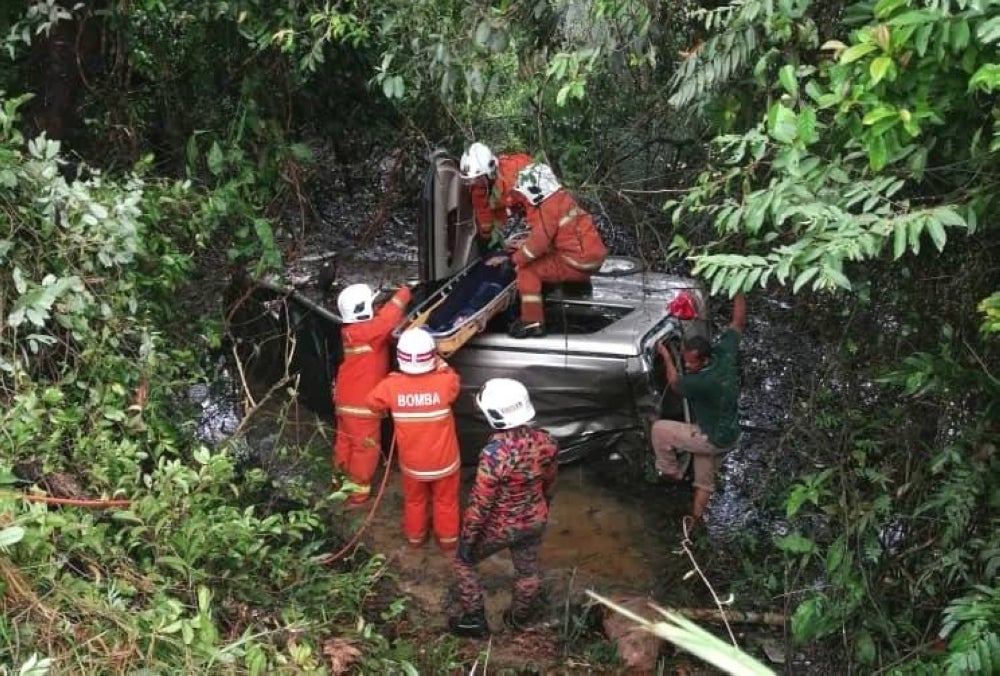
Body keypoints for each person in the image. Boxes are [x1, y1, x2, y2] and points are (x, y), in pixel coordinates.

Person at [448, 378, 559, 639]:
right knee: (527, 571)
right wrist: (541, 511)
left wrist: (468, 539)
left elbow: (481, 503)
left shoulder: (494, 454)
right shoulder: (547, 441)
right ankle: (518, 620)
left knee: (463, 563)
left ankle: (475, 620)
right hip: (534, 520)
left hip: (501, 526)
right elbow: (550, 484)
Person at [652, 292, 746, 522]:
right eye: (684, 360)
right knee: (704, 482)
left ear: (704, 360)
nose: (686, 365)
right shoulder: (724, 354)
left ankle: (670, 472)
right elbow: (737, 322)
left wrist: (666, 356)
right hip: (729, 436)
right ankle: (694, 521)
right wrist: (739, 288)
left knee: (659, 430)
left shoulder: (702, 382)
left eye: (690, 363)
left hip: (710, 436)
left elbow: (674, 383)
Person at [488, 163, 607, 338]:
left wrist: (513, 260)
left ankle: (532, 322)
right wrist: (524, 245)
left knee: (528, 271)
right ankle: (577, 290)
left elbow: (538, 245)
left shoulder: (547, 208)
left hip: (576, 261)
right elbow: (559, 237)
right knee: (545, 260)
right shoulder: (561, 198)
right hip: (590, 256)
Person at [367, 328, 462, 549]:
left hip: (413, 465)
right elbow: (454, 380)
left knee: (414, 501)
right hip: (444, 463)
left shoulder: (391, 386)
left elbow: (372, 403)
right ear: (431, 356)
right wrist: (441, 363)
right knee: (446, 501)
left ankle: (415, 538)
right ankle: (448, 542)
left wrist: (394, 384)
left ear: (400, 357)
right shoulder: (444, 383)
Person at [333, 283, 411, 506]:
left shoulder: (352, 331)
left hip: (345, 401)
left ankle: (339, 484)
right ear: (362, 309)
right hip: (362, 406)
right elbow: (387, 320)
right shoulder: (369, 332)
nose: (375, 306)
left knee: (344, 444)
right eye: (372, 304)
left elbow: (379, 323)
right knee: (364, 449)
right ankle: (358, 494)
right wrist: (404, 293)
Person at [459, 142, 533, 252]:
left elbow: (538, 204)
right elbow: (484, 216)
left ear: (490, 173)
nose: (474, 182)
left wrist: (534, 238)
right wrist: (488, 244)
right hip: (515, 204)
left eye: (477, 178)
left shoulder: (517, 172)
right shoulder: (479, 187)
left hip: (535, 202)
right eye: (472, 180)